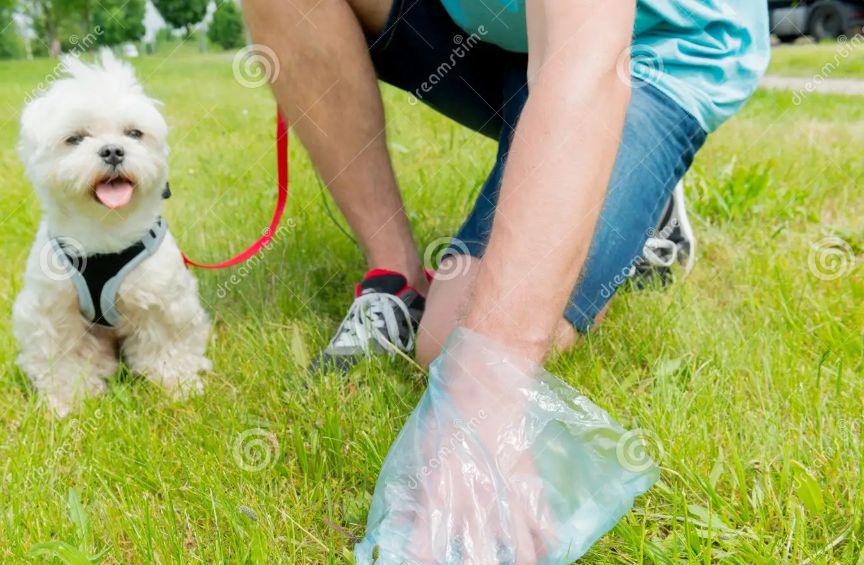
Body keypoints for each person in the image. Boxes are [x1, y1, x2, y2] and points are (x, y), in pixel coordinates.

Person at [242, 0, 769, 371]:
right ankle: (396, 279)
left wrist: (488, 397)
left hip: (643, 49)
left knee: (457, 343)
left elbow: (583, 61)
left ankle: (635, 196)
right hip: (496, 28)